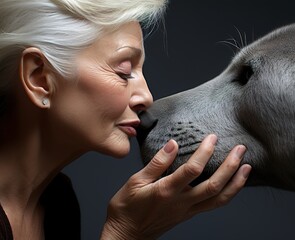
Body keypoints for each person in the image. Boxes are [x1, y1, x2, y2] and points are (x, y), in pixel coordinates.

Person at [0, 0, 252, 239]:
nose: (146, 97)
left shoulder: (57, 205)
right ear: (39, 78)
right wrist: (125, 233)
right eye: (123, 72)